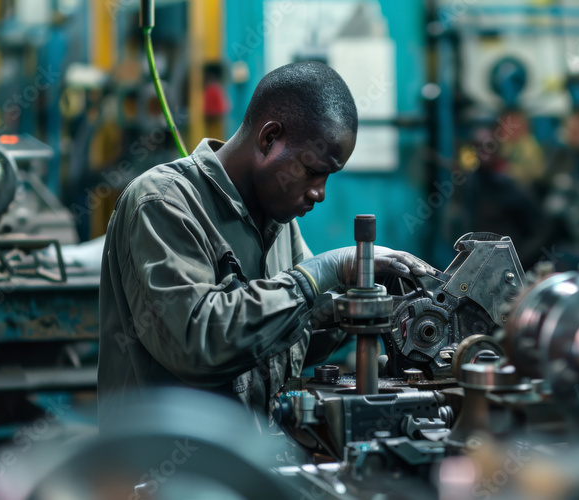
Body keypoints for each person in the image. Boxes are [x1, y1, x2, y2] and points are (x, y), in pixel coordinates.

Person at [97, 61, 430, 428]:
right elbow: (198, 344)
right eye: (312, 170)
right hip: (161, 472)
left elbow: (282, 340)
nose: (319, 192)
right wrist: (322, 272)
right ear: (270, 138)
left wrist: (352, 304)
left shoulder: (276, 218)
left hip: (247, 464)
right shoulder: (162, 203)